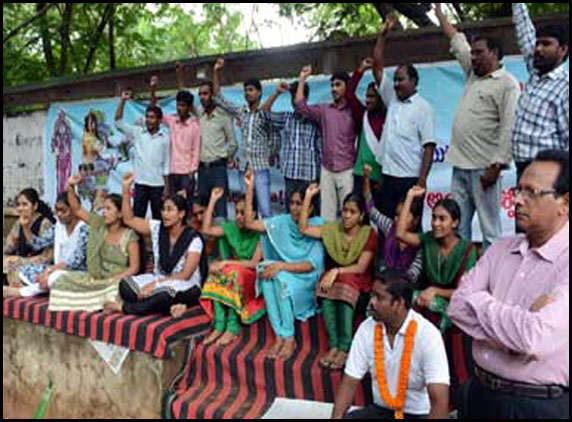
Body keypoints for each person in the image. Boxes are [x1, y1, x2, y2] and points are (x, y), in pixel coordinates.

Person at [449, 149, 569, 419]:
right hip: (480, 396)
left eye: (531, 192)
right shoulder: (501, 249)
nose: (517, 200)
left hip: (537, 408)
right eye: (518, 190)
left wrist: (480, 302)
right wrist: (514, 332)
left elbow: (532, 338)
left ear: (565, 203)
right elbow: (456, 307)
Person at [436, 3, 520, 249]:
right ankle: (461, 279)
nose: (473, 57)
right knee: (457, 228)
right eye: (472, 53)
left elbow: (508, 128)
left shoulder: (507, 84)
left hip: (484, 169)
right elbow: (457, 40)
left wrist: (496, 167)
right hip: (459, 165)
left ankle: (492, 283)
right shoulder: (473, 74)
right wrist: (440, 14)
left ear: (494, 54)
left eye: (479, 53)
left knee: (489, 230)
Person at [396, 186, 479, 408]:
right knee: (398, 301)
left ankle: (451, 402)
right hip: (429, 301)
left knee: (432, 305)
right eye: (433, 218)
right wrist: (410, 196)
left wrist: (435, 292)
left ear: (455, 223)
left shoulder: (468, 250)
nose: (435, 223)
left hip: (455, 307)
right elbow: (400, 234)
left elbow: (463, 293)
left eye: (442, 219)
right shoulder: (429, 240)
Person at [331, 271, 450, 419]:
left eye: (379, 297)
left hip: (418, 414)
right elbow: (349, 383)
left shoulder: (428, 335)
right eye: (372, 295)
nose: (371, 302)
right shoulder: (367, 328)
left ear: (399, 303)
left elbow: (440, 402)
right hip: (381, 411)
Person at [244, 169, 325, 360]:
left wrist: (280, 266)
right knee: (265, 275)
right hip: (284, 273)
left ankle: (289, 338)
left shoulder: (318, 224)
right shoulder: (283, 221)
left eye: (300, 203)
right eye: (293, 203)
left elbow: (310, 265)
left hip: (305, 279)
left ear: (311, 208)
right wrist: (250, 188)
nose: (295, 208)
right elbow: (249, 223)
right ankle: (279, 335)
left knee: (279, 279)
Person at [103, 173, 206, 318]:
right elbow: (129, 219)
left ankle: (125, 307)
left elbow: (185, 275)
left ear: (181, 214)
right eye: (163, 209)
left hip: (184, 285)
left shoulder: (193, 239)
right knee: (125, 286)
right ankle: (165, 307)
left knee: (163, 296)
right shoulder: (158, 228)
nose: (165, 214)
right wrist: (126, 188)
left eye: (170, 210)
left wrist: (155, 285)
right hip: (159, 279)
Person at [299, 185, 377, 371]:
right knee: (326, 284)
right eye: (345, 210)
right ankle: (334, 345)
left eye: (352, 212)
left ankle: (345, 347)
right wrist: (308, 196)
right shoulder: (332, 229)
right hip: (337, 282)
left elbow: (360, 267)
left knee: (341, 282)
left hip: (360, 286)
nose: (347, 215)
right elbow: (303, 229)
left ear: (361, 216)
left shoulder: (368, 234)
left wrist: (336, 271)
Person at [373, 14, 437, 219]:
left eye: (401, 80)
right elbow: (377, 68)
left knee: (408, 229)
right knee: (387, 227)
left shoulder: (423, 108)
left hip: (410, 180)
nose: (396, 84)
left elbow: (429, 146)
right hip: (388, 177)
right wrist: (383, 36)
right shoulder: (391, 98)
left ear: (414, 81)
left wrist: (422, 181)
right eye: (395, 80)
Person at [48, 174, 140, 312]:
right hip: (96, 279)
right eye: (103, 209)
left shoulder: (129, 236)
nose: (103, 212)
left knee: (113, 292)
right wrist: (71, 186)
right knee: (57, 279)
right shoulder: (99, 225)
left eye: (108, 209)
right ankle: (91, 300)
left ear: (120, 213)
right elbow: (77, 209)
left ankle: (91, 301)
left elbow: (134, 268)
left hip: (116, 282)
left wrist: (112, 280)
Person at [213, 58, 278, 219]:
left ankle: (265, 244)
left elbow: (275, 138)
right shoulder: (241, 111)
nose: (247, 93)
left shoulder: (266, 114)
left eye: (251, 90)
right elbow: (219, 98)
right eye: (245, 90)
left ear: (259, 92)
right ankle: (250, 243)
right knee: (246, 209)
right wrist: (215, 71)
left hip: (260, 169)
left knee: (265, 211)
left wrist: (272, 152)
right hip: (243, 169)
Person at [511, 3, 569, 182]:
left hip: (547, 175)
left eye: (546, 44)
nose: (538, 49)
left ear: (563, 50)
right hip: (523, 170)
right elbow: (523, 27)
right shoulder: (536, 70)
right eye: (537, 43)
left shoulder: (565, 88)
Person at [200, 188, 264, 347]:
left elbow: (254, 264)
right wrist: (213, 200)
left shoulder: (261, 232)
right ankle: (219, 325)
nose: (239, 217)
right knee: (218, 272)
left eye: (243, 213)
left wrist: (226, 263)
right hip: (232, 271)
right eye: (236, 212)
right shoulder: (231, 227)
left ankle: (232, 327)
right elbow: (206, 230)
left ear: (253, 214)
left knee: (232, 273)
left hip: (251, 277)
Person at [294, 65, 357, 222]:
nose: (333, 89)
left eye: (338, 85)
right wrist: (302, 78)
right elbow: (300, 106)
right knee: (327, 217)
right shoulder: (325, 110)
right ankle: (328, 246)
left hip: (347, 170)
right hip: (327, 170)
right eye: (332, 85)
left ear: (347, 88)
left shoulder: (355, 111)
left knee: (348, 215)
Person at [3, 193, 89, 299]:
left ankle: (22, 292)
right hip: (56, 269)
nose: (59, 214)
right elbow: (37, 244)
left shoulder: (85, 229)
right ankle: (44, 288)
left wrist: (49, 271)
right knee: (23, 271)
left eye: (63, 210)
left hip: (76, 273)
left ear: (75, 210)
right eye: (57, 210)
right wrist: (26, 227)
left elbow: (75, 261)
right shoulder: (58, 226)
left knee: (55, 277)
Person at [262, 80, 323, 212]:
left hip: (310, 177)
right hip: (291, 176)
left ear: (305, 98)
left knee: (311, 216)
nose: (295, 101)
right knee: (291, 216)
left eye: (298, 97)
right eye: (292, 97)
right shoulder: (287, 117)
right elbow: (263, 114)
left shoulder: (316, 119)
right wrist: (276, 93)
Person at [363, 165, 423, 284]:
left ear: (416, 220)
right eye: (396, 215)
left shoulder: (420, 243)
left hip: (404, 289)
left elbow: (412, 275)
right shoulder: (390, 226)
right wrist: (366, 179)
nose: (397, 220)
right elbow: (371, 210)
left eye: (403, 216)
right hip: (384, 282)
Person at [115, 90, 170, 219]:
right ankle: (137, 240)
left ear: (160, 120)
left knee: (159, 220)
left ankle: (158, 240)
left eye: (152, 117)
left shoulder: (165, 138)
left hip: (158, 185)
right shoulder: (138, 133)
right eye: (147, 117)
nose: (149, 120)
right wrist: (122, 100)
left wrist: (166, 188)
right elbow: (118, 122)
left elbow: (166, 165)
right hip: (140, 184)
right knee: (137, 218)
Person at [150, 75, 201, 212]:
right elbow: (155, 109)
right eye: (178, 105)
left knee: (186, 208)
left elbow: (196, 150)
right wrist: (153, 89)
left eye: (183, 105)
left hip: (186, 174)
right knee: (172, 207)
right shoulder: (172, 120)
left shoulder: (195, 125)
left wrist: (192, 171)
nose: (179, 108)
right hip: (172, 172)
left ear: (189, 107)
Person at [347, 58, 386, 205]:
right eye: (367, 96)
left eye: (372, 97)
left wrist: (383, 178)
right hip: (360, 176)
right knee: (361, 219)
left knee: (380, 219)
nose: (368, 100)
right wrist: (360, 70)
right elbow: (349, 93)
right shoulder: (362, 114)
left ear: (381, 98)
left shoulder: (388, 118)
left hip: (380, 178)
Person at [3, 189, 55, 286]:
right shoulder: (19, 223)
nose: (20, 208)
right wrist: (14, 240)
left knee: (11, 263)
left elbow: (48, 257)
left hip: (38, 266)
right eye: (18, 204)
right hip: (20, 259)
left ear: (35, 206)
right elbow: (6, 249)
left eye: (25, 204)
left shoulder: (44, 223)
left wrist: (22, 261)